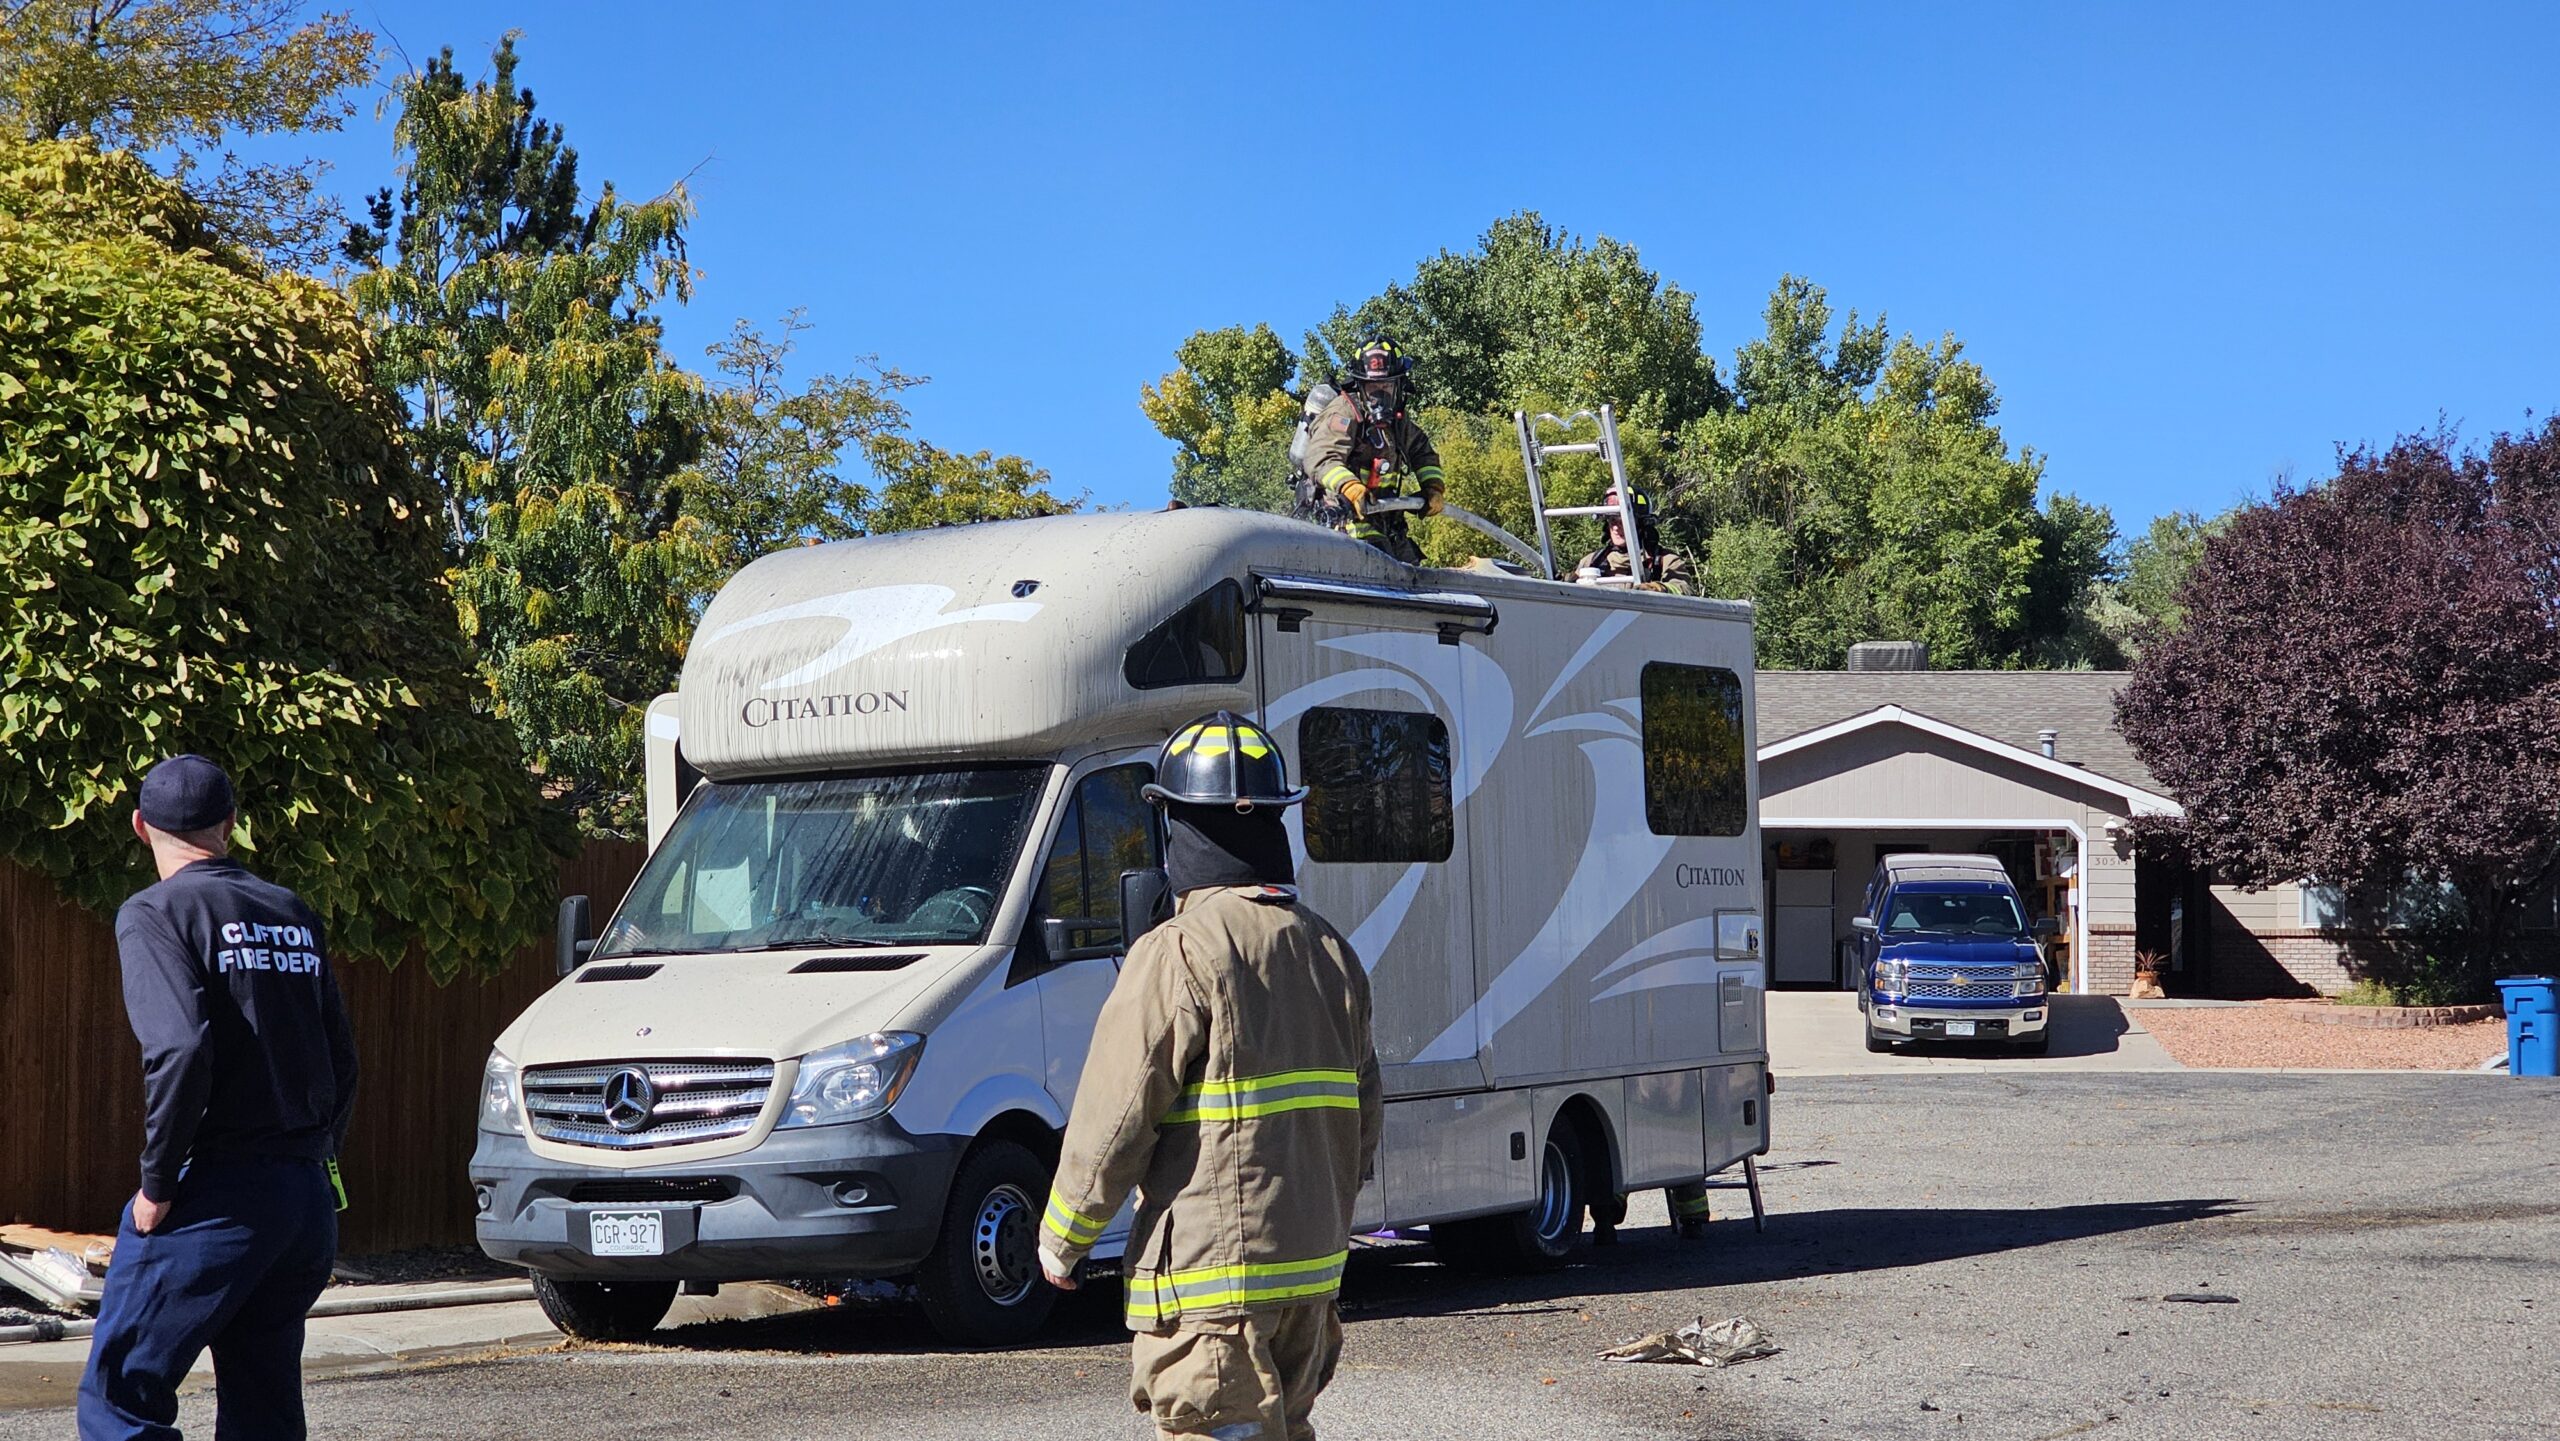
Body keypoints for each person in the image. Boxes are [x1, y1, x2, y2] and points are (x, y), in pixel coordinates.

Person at [1039, 712, 1383, 1441]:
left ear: (1178, 831)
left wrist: (1063, 1237)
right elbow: (1364, 1121)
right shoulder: (1332, 953)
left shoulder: (1180, 952)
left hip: (1213, 1292)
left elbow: (1115, 1115)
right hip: (1309, 1288)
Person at [79, 755, 359, 1441]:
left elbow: (179, 1047)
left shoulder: (155, 912)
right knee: (263, 1403)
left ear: (142, 827)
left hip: (215, 1198)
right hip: (302, 1205)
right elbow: (343, 1061)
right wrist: (313, 1163)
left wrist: (156, 1185)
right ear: (229, 824)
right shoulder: (291, 912)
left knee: (119, 1399)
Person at [1304, 338, 1445, 564]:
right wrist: (1349, 486)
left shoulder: (1398, 420)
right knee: (1380, 578)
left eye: (1386, 386)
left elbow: (1422, 452)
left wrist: (1433, 488)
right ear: (1359, 386)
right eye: (1372, 388)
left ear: (1398, 386)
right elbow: (1322, 458)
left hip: (1387, 521)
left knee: (1416, 579)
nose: (1380, 396)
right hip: (1347, 522)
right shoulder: (1343, 413)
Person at [1570, 486, 1697, 594]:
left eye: (1622, 521)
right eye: (1612, 520)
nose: (1615, 527)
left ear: (1641, 524)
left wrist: (1659, 589)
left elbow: (1684, 590)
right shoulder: (1591, 561)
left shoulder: (1665, 561)